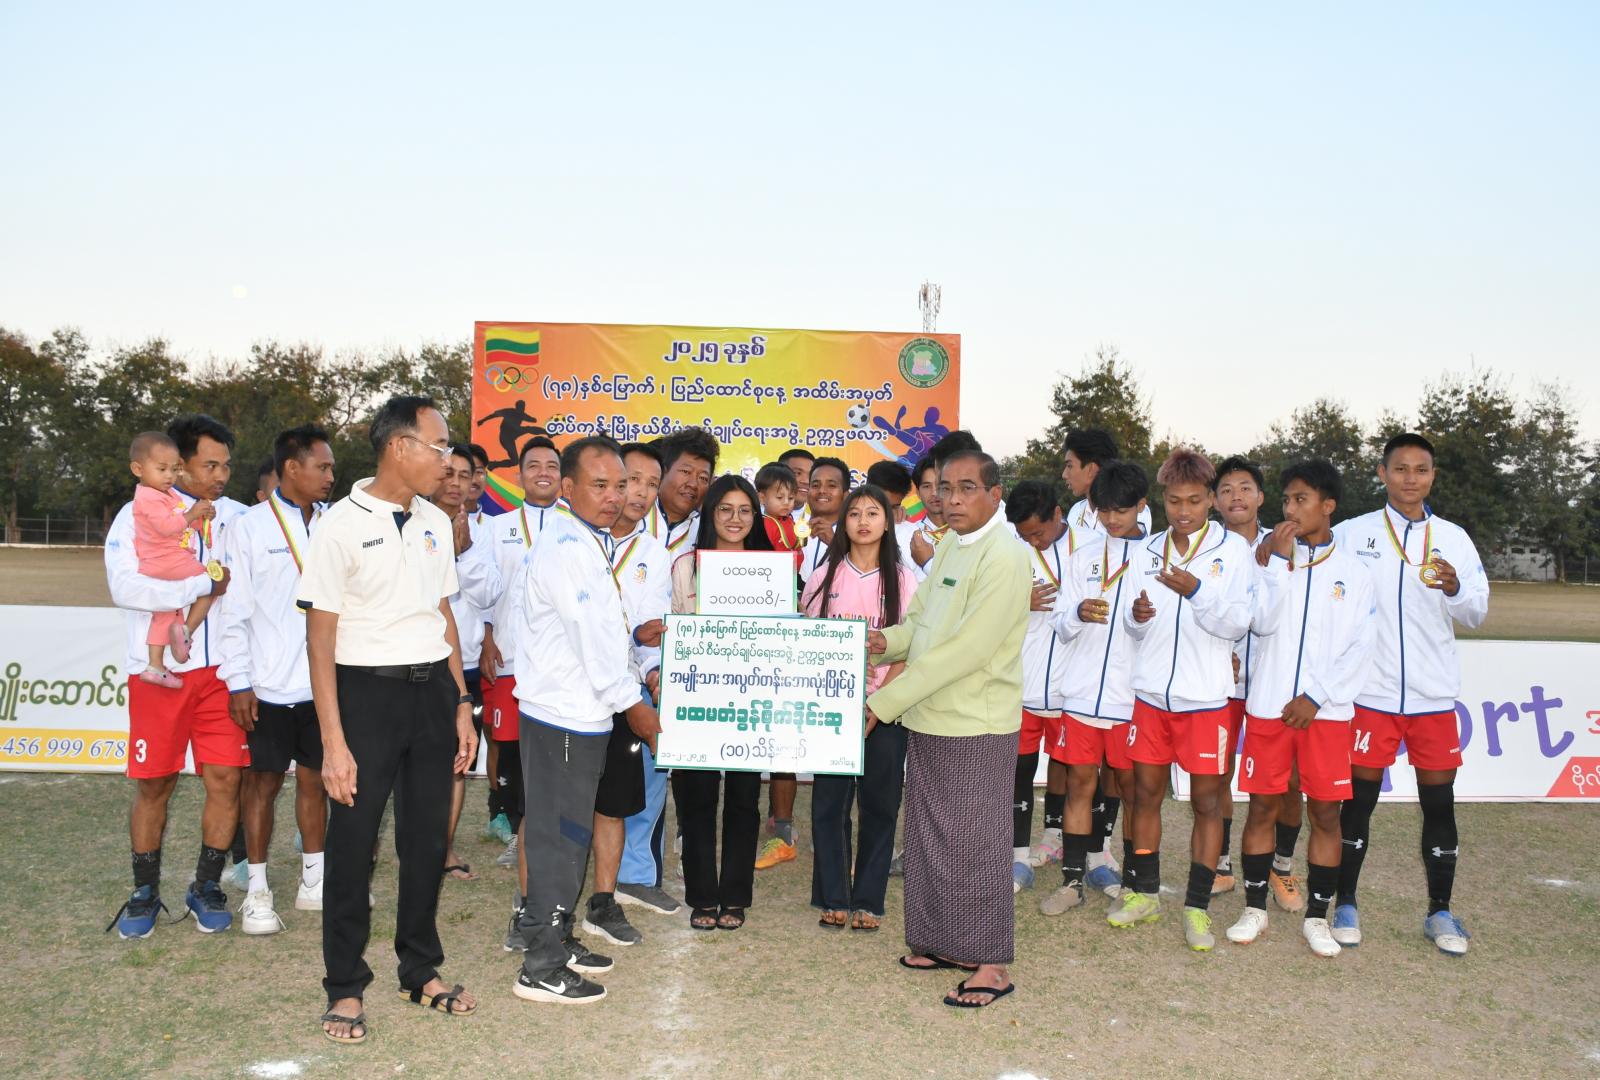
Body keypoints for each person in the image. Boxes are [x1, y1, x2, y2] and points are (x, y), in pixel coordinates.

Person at [298, 395, 480, 1043]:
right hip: (364, 698)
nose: (448, 461)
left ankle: (419, 969)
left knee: (426, 841)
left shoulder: (434, 519)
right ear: (400, 448)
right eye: (439, 446)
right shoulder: (339, 526)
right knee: (353, 845)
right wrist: (333, 742)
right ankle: (345, 986)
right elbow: (320, 637)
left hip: (432, 694)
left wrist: (461, 703)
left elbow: (443, 615)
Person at [868, 450, 1031, 1008]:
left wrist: (882, 702)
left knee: (977, 843)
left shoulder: (1006, 555)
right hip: (932, 717)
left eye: (966, 488)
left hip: (975, 723)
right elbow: (920, 625)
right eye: (944, 488)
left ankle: (990, 964)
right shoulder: (950, 547)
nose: (952, 499)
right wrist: (883, 642)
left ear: (995, 494)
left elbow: (969, 649)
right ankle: (941, 942)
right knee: (931, 837)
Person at [512, 435, 661, 1005]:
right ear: (568, 488)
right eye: (600, 485)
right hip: (564, 718)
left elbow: (607, 637)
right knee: (558, 841)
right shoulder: (568, 548)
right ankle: (541, 967)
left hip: (582, 715)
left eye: (620, 485)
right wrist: (637, 708)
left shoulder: (584, 540)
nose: (613, 496)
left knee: (570, 837)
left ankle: (558, 938)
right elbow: (595, 646)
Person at [1331, 432, 1488, 955]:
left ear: (1432, 476)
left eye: (1420, 470)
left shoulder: (1454, 539)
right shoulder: (1352, 533)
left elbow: (1477, 612)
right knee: (1358, 805)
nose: (1410, 479)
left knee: (1439, 805)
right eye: (1400, 469)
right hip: (1370, 695)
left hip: (1432, 698)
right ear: (1382, 473)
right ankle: (1346, 903)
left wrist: (1455, 589)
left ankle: (1440, 912)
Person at [1226, 461, 1376, 957]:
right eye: (1287, 500)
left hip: (1326, 714)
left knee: (1327, 814)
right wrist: (1275, 565)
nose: (1289, 509)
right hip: (1268, 708)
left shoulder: (1355, 573)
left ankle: (1317, 917)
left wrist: (1317, 696)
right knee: (1262, 807)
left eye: (1301, 500)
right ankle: (1255, 909)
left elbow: (1361, 646)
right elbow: (1261, 623)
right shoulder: (1266, 559)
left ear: (1327, 506)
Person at [105, 414, 246, 940]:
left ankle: (206, 886)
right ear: (178, 466)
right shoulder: (134, 515)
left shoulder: (239, 518)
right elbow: (125, 588)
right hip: (157, 673)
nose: (220, 475)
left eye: (226, 465)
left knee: (226, 779)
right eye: (209, 465)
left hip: (221, 674)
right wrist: (197, 589)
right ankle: (144, 892)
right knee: (155, 783)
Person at [1115, 448, 1252, 952]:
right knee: (1144, 794)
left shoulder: (1232, 551)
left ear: (1210, 500)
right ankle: (1145, 894)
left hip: (1205, 699)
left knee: (1206, 802)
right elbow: (1131, 623)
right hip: (1151, 695)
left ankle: (1197, 908)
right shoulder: (1147, 550)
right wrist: (1137, 616)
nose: (1184, 511)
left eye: (1194, 500)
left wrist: (1196, 592)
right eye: (1175, 501)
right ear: (1163, 500)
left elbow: (1239, 623)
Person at [215, 424, 337, 935]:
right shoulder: (249, 527)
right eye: (322, 467)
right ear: (292, 468)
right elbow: (233, 612)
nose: (330, 476)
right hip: (266, 685)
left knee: (316, 782)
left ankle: (315, 881)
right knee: (261, 786)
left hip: (323, 686)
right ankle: (258, 891)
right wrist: (238, 681)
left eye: (331, 468)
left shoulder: (335, 523)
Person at [801, 484, 918, 931]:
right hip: (831, 707)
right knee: (829, 804)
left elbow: (909, 647)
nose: (863, 522)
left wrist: (878, 703)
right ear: (842, 522)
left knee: (880, 806)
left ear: (888, 523)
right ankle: (832, 895)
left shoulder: (904, 580)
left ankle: (869, 899)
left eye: (873, 513)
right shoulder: (823, 577)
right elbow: (806, 642)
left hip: (886, 709)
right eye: (854, 514)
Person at [1043, 460, 1149, 914]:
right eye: (1103, 510)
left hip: (1132, 697)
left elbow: (1158, 628)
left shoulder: (1158, 557)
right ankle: (1072, 882)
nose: (1111, 519)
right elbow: (1059, 622)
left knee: (1131, 789)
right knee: (1080, 784)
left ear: (1141, 506)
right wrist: (1076, 612)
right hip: (1082, 692)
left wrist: (1138, 621)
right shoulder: (1083, 555)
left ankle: (1131, 881)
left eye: (1121, 510)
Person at [670, 474, 774, 930]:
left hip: (752, 703)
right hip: (698, 700)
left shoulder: (773, 568)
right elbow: (673, 626)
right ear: (710, 515)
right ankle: (701, 897)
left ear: (756, 516)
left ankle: (735, 895)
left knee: (744, 800)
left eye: (745, 510)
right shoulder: (685, 566)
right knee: (696, 800)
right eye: (725, 509)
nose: (735, 519)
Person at [1212, 455, 1305, 903]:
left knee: (1289, 780)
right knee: (1217, 774)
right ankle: (1221, 865)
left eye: (1245, 488)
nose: (1236, 496)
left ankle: (1282, 867)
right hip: (1221, 684)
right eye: (1226, 489)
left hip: (1276, 685)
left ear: (1262, 497)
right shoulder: (1205, 549)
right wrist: (1218, 653)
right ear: (1215, 501)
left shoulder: (1288, 543)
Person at [481, 435, 561, 891]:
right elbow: (487, 591)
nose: (543, 473)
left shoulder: (575, 525)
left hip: (558, 663)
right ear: (520, 474)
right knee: (510, 748)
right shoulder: (497, 527)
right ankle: (516, 830)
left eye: (551, 465)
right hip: (510, 658)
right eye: (534, 465)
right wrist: (487, 637)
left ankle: (548, 831)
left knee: (551, 751)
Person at [609, 443, 681, 920]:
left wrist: (654, 672)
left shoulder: (654, 553)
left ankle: (634, 875)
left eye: (652, 484)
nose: (641, 492)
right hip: (575, 689)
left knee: (649, 776)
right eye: (633, 480)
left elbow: (651, 626)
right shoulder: (572, 540)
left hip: (634, 682)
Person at [1002, 481, 1075, 892]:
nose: (1032, 541)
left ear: (1057, 514)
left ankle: (1055, 837)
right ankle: (1016, 856)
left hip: (1070, 688)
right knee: (1019, 771)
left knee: (1066, 768)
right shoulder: (1009, 552)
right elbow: (985, 607)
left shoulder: (1088, 550)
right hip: (1022, 685)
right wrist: (1017, 600)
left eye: (1038, 533)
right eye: (1024, 534)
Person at [432, 444, 501, 884]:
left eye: (466, 475)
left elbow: (490, 593)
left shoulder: (485, 530)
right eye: (450, 473)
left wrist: (466, 552)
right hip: (416, 661)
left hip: (467, 664)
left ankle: (445, 847)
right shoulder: (410, 521)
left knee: (458, 758)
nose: (458, 483)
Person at [125, 432, 219, 688]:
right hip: (168, 560)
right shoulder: (147, 497)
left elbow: (185, 525)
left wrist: (201, 517)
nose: (170, 476)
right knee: (211, 585)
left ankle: (155, 665)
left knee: (163, 615)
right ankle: (186, 631)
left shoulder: (166, 495)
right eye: (162, 469)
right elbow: (167, 527)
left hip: (162, 564)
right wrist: (192, 515)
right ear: (137, 469)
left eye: (174, 469)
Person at [1060, 428, 1154, 536]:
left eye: (1069, 466)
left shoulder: (1135, 509)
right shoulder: (1076, 511)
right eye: (1104, 511)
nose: (1064, 475)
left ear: (1091, 469)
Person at [647, 426, 718, 555]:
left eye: (703, 478)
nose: (693, 484)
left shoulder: (706, 533)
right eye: (686, 471)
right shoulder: (635, 517)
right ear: (663, 472)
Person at [756, 461, 802, 557]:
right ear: (762, 498)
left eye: (791, 498)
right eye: (779, 497)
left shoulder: (790, 521)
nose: (786, 502)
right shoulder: (763, 525)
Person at [778, 448, 815, 536]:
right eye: (797, 473)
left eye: (811, 475)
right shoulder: (757, 519)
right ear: (779, 475)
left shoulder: (816, 526)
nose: (806, 481)